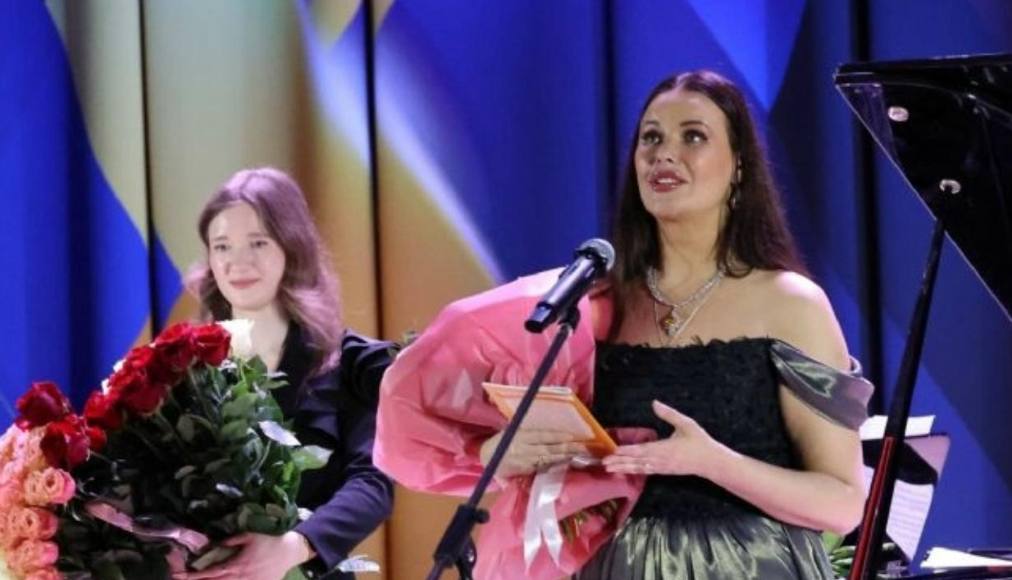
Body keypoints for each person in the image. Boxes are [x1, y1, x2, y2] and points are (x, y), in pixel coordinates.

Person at [374, 70, 873, 580]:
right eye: (651, 137)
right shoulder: (594, 305)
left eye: (693, 136)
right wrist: (503, 452)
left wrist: (713, 462)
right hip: (615, 566)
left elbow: (842, 504)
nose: (664, 154)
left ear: (739, 165)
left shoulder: (790, 304)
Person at [181, 167, 395, 580]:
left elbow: (373, 481)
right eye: (222, 246)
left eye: (258, 243)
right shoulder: (184, 368)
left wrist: (293, 548)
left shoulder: (353, 362)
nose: (238, 262)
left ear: (291, 247)